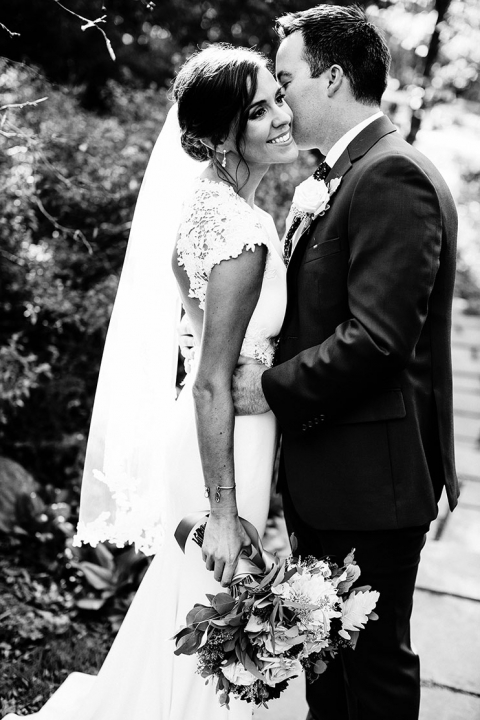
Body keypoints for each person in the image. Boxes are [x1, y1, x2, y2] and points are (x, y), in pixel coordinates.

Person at [5, 45, 297, 720]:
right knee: (220, 607)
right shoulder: (243, 231)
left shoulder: (204, 207)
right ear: (220, 137)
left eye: (279, 97)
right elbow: (212, 381)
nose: (282, 116)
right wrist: (221, 512)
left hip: (204, 435)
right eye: (260, 111)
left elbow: (199, 340)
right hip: (227, 442)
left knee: (198, 605)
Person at [229, 5, 459, 720]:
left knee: (372, 676)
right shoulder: (350, 173)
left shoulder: (390, 176)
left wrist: (269, 388)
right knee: (328, 672)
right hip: (338, 477)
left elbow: (378, 339)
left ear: (330, 79)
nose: (279, 96)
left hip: (370, 486)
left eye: (287, 78)